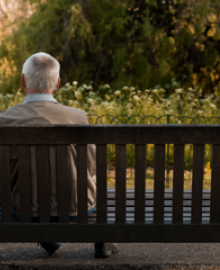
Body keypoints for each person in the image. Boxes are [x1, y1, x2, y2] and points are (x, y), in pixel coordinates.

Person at [0, 52, 118, 258]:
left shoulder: (6, 119)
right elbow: (90, 167)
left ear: (23, 80)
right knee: (99, 180)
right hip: (76, 207)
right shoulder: (78, 117)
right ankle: (103, 240)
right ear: (57, 83)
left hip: (23, 208)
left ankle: (47, 236)